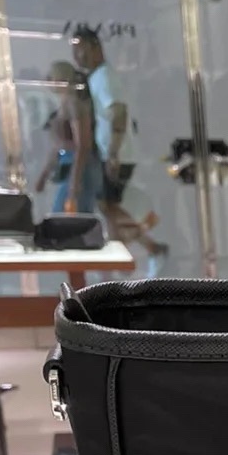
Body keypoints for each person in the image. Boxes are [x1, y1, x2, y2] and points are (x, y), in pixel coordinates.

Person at [71, 24, 168, 272]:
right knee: (108, 206)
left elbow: (119, 112)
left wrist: (113, 152)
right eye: (75, 50)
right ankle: (135, 253)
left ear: (95, 47)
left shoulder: (104, 77)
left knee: (109, 206)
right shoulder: (97, 77)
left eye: (81, 49)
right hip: (111, 153)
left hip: (117, 154)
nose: (77, 56)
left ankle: (134, 254)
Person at [33, 61, 100, 214]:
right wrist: (45, 174)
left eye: (52, 77)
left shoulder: (74, 104)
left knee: (67, 215)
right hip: (70, 166)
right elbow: (60, 146)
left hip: (78, 167)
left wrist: (74, 183)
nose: (48, 81)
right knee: (67, 214)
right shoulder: (66, 104)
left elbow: (83, 145)